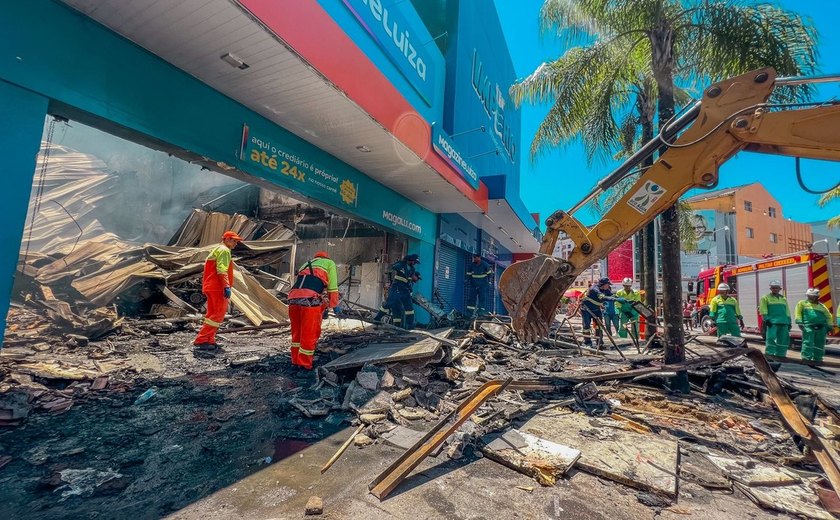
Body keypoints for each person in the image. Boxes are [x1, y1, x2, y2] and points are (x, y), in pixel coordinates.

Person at [287, 251, 339, 370]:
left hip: (293, 298)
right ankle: (305, 365)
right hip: (309, 300)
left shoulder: (305, 264)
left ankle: (295, 361)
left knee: (297, 333)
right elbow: (332, 287)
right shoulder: (329, 263)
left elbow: (305, 283)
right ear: (327, 257)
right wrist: (334, 305)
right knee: (309, 333)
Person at [193, 231, 243, 352]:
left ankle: (210, 339)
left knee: (212, 314)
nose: (236, 243)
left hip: (211, 286)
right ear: (226, 239)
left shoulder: (218, 249)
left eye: (236, 241)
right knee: (218, 314)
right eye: (234, 240)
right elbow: (221, 270)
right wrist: (226, 286)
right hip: (217, 287)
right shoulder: (224, 251)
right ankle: (202, 339)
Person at [373, 254, 420, 329]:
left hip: (405, 290)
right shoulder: (400, 265)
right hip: (396, 288)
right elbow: (393, 267)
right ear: (410, 260)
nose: (415, 263)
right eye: (414, 262)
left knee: (410, 308)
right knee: (389, 304)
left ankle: (410, 326)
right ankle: (377, 318)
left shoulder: (412, 269)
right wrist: (399, 266)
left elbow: (410, 280)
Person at [581, 277, 625, 347]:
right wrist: (616, 299)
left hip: (596, 310)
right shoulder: (594, 289)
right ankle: (587, 342)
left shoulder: (605, 289)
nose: (608, 286)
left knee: (598, 326)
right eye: (608, 284)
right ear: (603, 284)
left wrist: (622, 299)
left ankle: (599, 342)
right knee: (586, 326)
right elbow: (604, 297)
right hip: (587, 310)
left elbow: (611, 295)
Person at [795, 288, 833, 363]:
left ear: (817, 297)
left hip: (821, 327)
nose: (810, 297)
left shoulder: (822, 306)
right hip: (809, 326)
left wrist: (829, 326)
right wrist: (799, 322)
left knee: (820, 343)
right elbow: (798, 313)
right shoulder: (802, 303)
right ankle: (806, 358)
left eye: (812, 296)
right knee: (808, 342)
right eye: (809, 296)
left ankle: (818, 359)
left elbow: (828, 316)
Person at [759, 280, 791, 358]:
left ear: (780, 289)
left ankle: (781, 355)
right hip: (772, 322)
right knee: (771, 338)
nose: (775, 289)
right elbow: (763, 309)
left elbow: (787, 310)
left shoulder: (783, 298)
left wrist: (789, 322)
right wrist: (766, 319)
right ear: (771, 289)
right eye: (773, 288)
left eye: (777, 288)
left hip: (784, 322)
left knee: (783, 340)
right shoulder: (765, 298)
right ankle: (770, 354)